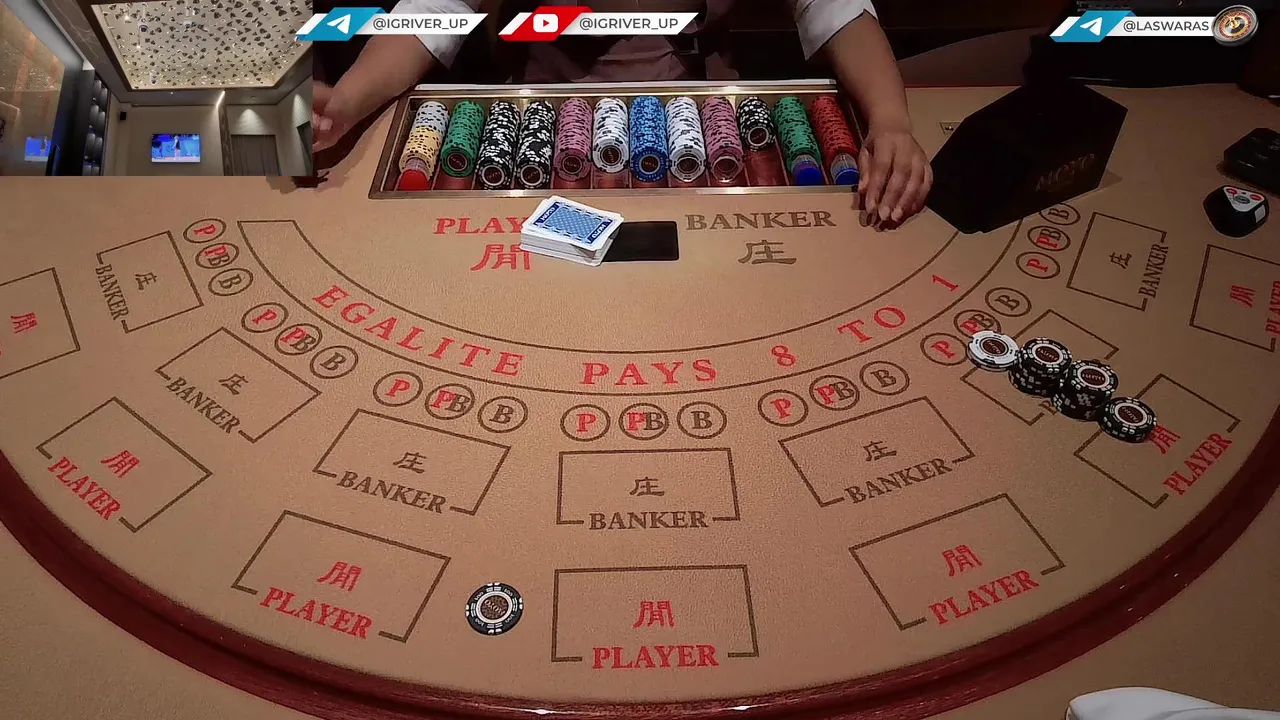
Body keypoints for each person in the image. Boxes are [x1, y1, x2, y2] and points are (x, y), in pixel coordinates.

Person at [313, 0, 932, 225]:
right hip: (545, 128)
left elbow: (832, 5)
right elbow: (436, 10)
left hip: (708, 129)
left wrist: (889, 119)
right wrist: (347, 101)